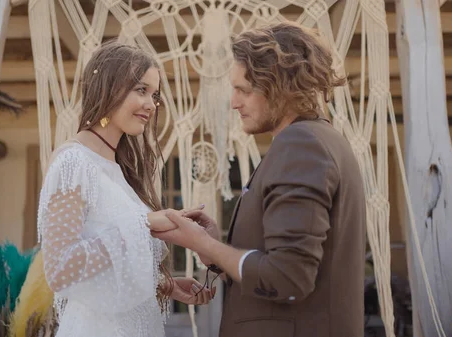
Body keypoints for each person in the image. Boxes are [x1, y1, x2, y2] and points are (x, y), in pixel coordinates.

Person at [153, 22, 366, 337]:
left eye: (244, 90)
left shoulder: (302, 146)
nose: (234, 102)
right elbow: (281, 263)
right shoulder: (319, 140)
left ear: (281, 87)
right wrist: (214, 249)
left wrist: (201, 242)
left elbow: (288, 278)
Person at [37, 41, 214, 337]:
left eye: (154, 94)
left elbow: (106, 260)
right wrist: (144, 223)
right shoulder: (73, 162)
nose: (151, 104)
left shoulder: (117, 169)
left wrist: (165, 285)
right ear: (109, 87)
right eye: (140, 90)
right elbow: (60, 269)